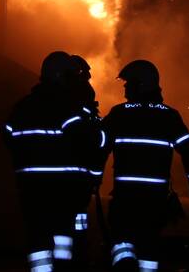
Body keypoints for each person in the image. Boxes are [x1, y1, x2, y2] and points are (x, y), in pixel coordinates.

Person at [5, 52, 104, 272]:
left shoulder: (22, 107)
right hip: (62, 190)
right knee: (62, 237)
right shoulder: (67, 108)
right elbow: (89, 141)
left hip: (29, 189)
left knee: (37, 237)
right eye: (70, 76)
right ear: (60, 76)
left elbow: (8, 136)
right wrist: (98, 129)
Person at [102, 60, 189, 271]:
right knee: (149, 245)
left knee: (122, 241)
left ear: (141, 85)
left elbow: (99, 147)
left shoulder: (119, 113)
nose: (125, 87)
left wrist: (93, 177)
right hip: (155, 199)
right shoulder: (169, 116)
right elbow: (188, 149)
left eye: (128, 83)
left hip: (125, 197)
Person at [66, 55, 106, 272]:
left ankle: (74, 256)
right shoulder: (75, 101)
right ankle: (77, 256)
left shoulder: (67, 94)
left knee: (72, 217)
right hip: (76, 171)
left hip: (74, 172)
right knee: (75, 217)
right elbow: (94, 140)